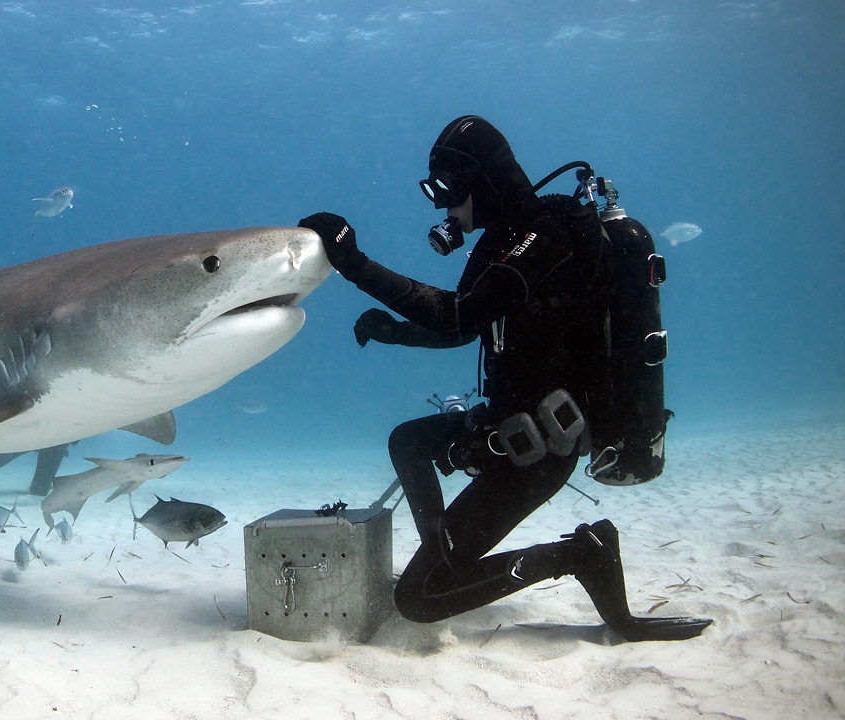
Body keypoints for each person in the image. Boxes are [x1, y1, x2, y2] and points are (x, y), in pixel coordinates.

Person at [299, 115, 710, 642]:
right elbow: (467, 325)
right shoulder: (502, 241)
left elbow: (459, 316)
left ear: (484, 182)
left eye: (451, 194)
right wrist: (393, 331)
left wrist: (354, 264)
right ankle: (444, 554)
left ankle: (581, 553)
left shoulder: (548, 235)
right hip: (502, 423)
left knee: (417, 601)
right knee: (407, 441)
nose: (447, 211)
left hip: (537, 453)